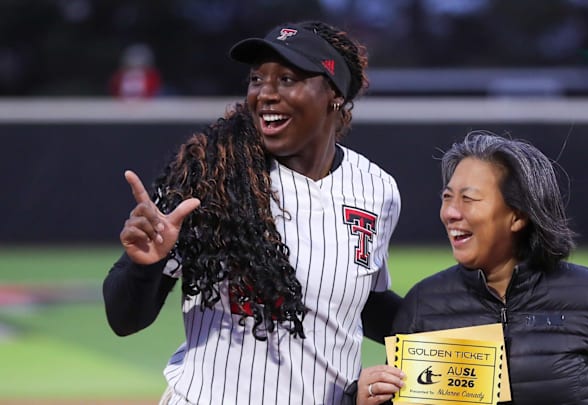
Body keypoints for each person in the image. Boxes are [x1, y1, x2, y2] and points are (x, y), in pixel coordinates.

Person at [102, 20, 402, 405]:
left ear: (334, 95)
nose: (266, 94)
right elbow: (124, 319)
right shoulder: (211, 177)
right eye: (257, 79)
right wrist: (145, 266)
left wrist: (449, 319)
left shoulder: (377, 189)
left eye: (287, 78)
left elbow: (363, 302)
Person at [348, 131, 588, 404]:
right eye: (448, 197)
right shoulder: (425, 305)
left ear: (518, 216)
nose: (450, 212)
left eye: (468, 199)